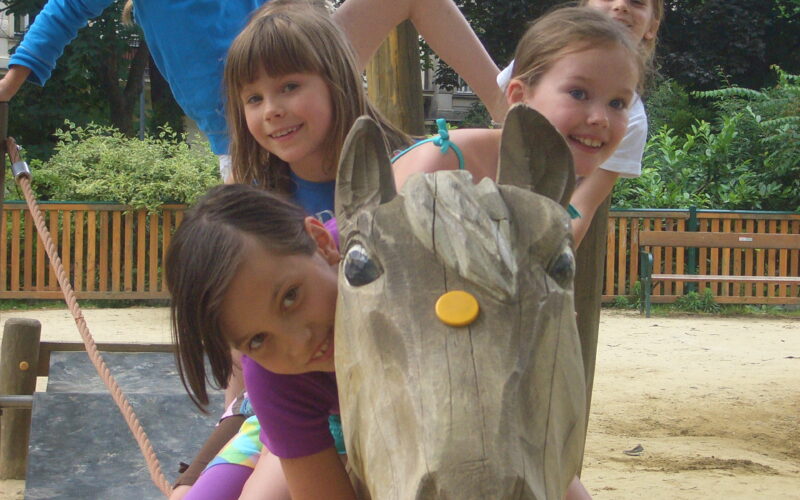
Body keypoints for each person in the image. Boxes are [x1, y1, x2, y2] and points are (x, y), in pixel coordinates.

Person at [0, 0, 506, 180]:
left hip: (304, 71)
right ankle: (240, 400)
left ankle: (508, 109)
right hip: (247, 137)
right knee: (251, 272)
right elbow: (65, 9)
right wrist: (11, 82)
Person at [392, 5, 648, 249]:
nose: (600, 118)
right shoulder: (441, 166)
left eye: (617, 103)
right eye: (578, 93)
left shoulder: (547, 186)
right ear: (518, 96)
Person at [497, 0, 663, 245]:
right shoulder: (548, 58)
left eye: (636, 2)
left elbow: (580, 208)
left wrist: (543, 263)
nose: (621, 6)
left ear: (652, 26)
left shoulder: (631, 120)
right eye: (577, 93)